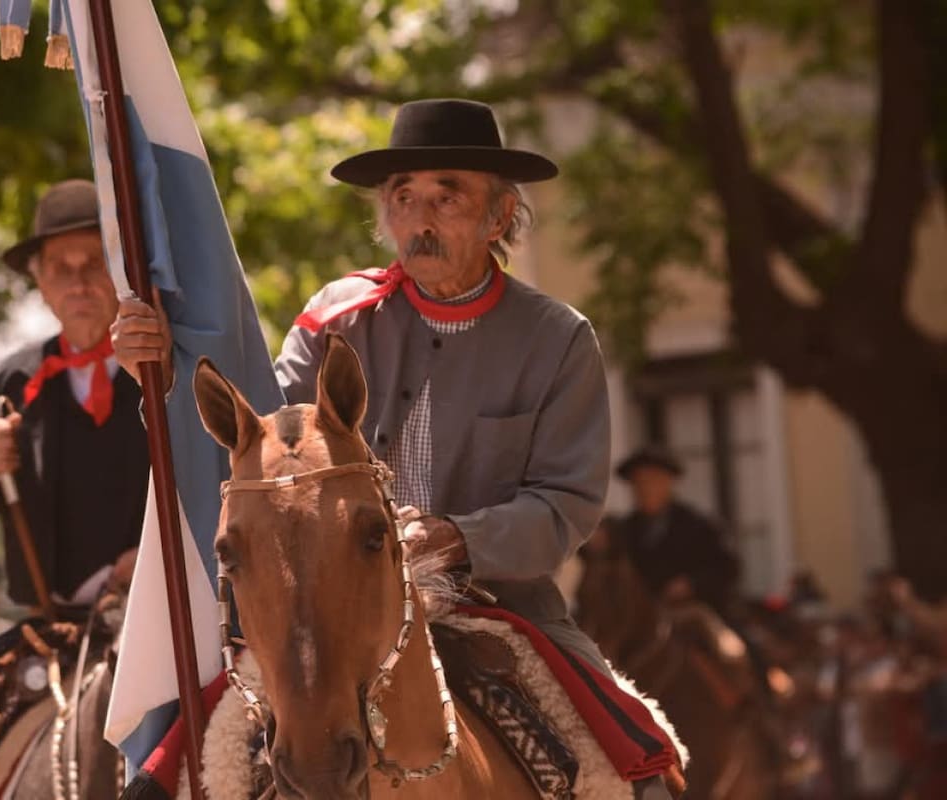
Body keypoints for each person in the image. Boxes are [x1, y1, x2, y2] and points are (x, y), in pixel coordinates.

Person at [113, 99, 675, 797]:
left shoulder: (559, 338)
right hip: (330, 607)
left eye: (448, 196)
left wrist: (456, 537)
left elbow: (566, 508)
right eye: (404, 198)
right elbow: (259, 442)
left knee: (634, 767)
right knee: (170, 777)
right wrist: (165, 367)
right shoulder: (335, 317)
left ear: (500, 218)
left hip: (499, 605)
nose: (422, 218)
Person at [0, 179, 146, 608]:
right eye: (61, 267)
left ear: (123, 272)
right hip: (53, 637)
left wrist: (158, 556)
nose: (78, 283)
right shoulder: (10, 382)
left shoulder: (166, 364)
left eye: (95, 263)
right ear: (41, 284)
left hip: (168, 621)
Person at [614, 444, 741, 617]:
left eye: (652, 481)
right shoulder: (624, 530)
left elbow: (727, 568)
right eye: (638, 483)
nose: (645, 489)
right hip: (642, 616)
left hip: (696, 611)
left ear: (669, 482)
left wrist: (691, 584)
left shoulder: (699, 525)